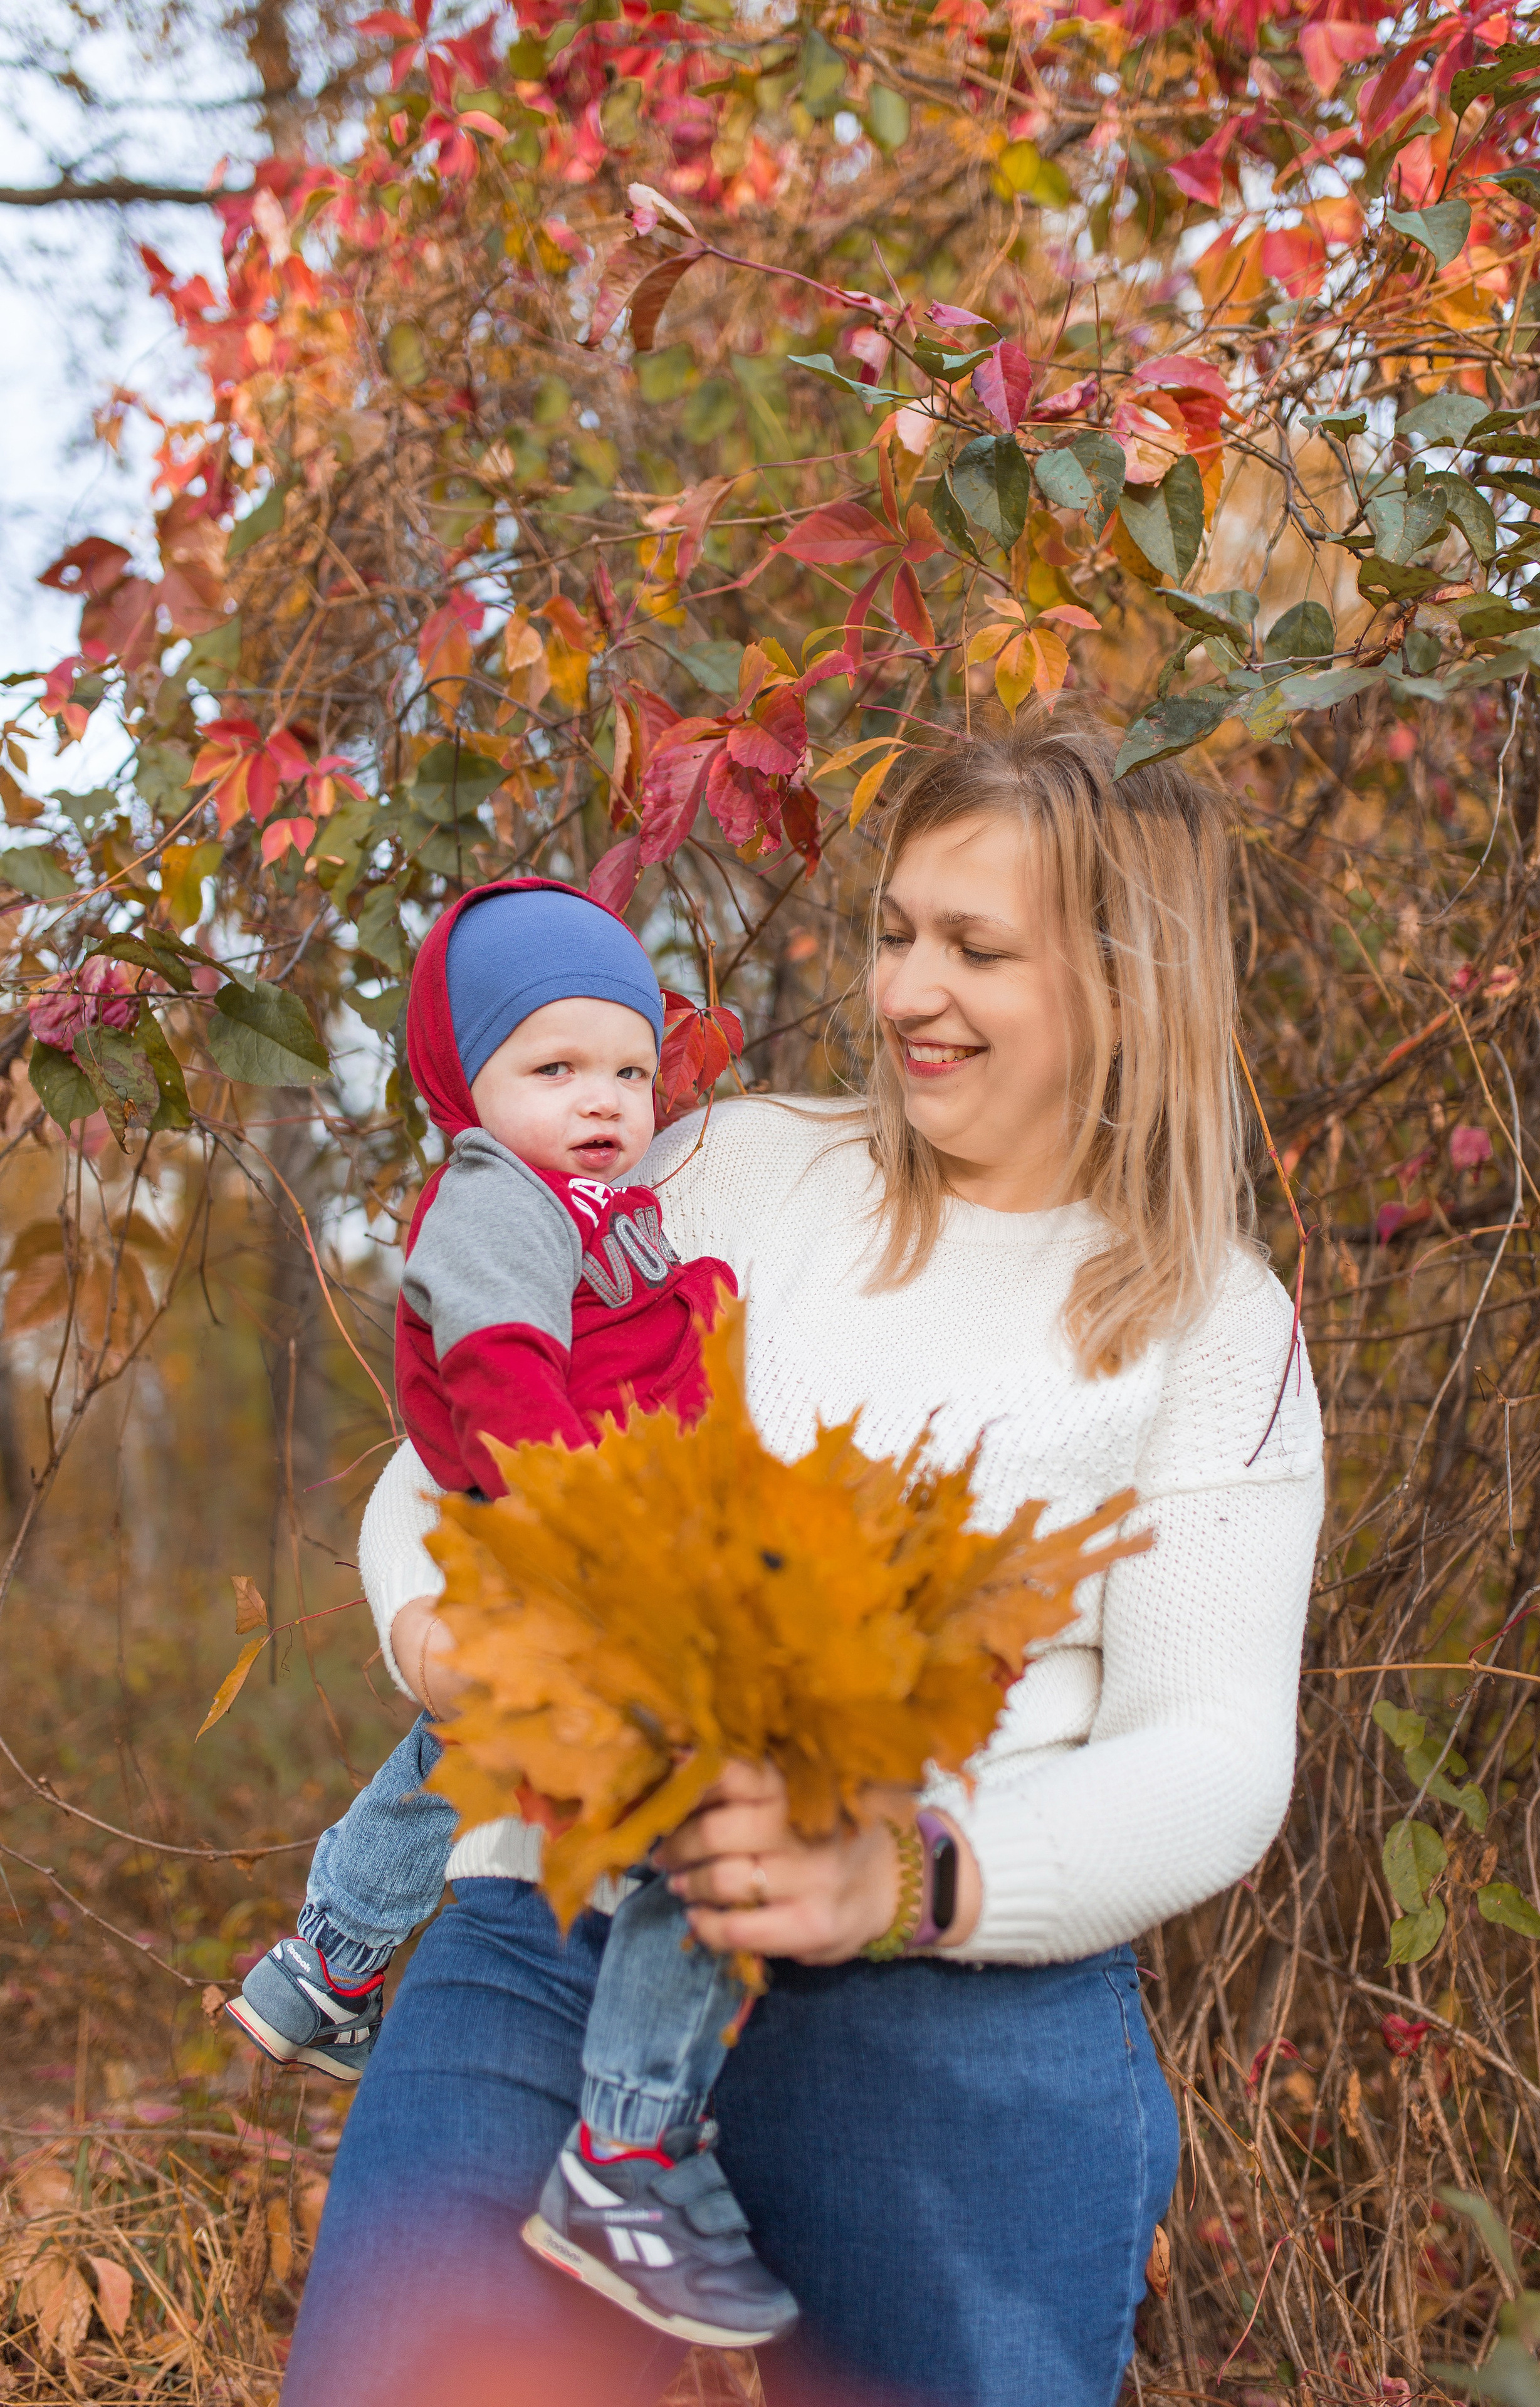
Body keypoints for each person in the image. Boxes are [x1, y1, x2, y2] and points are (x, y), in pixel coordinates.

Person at [283, 714, 1326, 2407]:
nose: (908, 990)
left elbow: (1212, 1754)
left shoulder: (1213, 1322)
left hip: (941, 1998)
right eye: (896, 931)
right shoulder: (731, 1168)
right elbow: (441, 1465)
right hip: (560, 1913)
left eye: (977, 948)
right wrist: (433, 1636)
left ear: (1129, 986)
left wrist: (905, 1877)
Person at [227, 877, 799, 2346]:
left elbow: (625, 1346)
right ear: (464, 1083)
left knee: (472, 1742)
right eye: (555, 1068)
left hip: (588, 1537)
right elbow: (497, 1375)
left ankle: (328, 1963)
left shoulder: (596, 1208)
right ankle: (627, 2142)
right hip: (573, 1541)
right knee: (692, 1807)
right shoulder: (495, 1196)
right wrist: (578, 1526)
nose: (602, 1100)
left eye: (628, 1070)